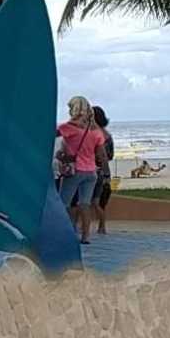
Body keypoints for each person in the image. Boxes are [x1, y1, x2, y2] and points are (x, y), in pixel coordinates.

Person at [57, 96, 108, 245]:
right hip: (91, 172)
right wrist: (105, 173)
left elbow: (50, 135)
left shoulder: (69, 127)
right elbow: (102, 155)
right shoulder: (95, 131)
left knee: (63, 203)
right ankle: (86, 236)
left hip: (74, 171)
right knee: (85, 204)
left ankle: (64, 231)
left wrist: (62, 155)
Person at [91, 106, 114, 235]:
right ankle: (102, 226)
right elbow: (110, 155)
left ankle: (78, 226)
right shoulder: (108, 135)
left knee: (86, 200)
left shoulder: (93, 134)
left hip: (93, 168)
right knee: (99, 200)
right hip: (105, 170)